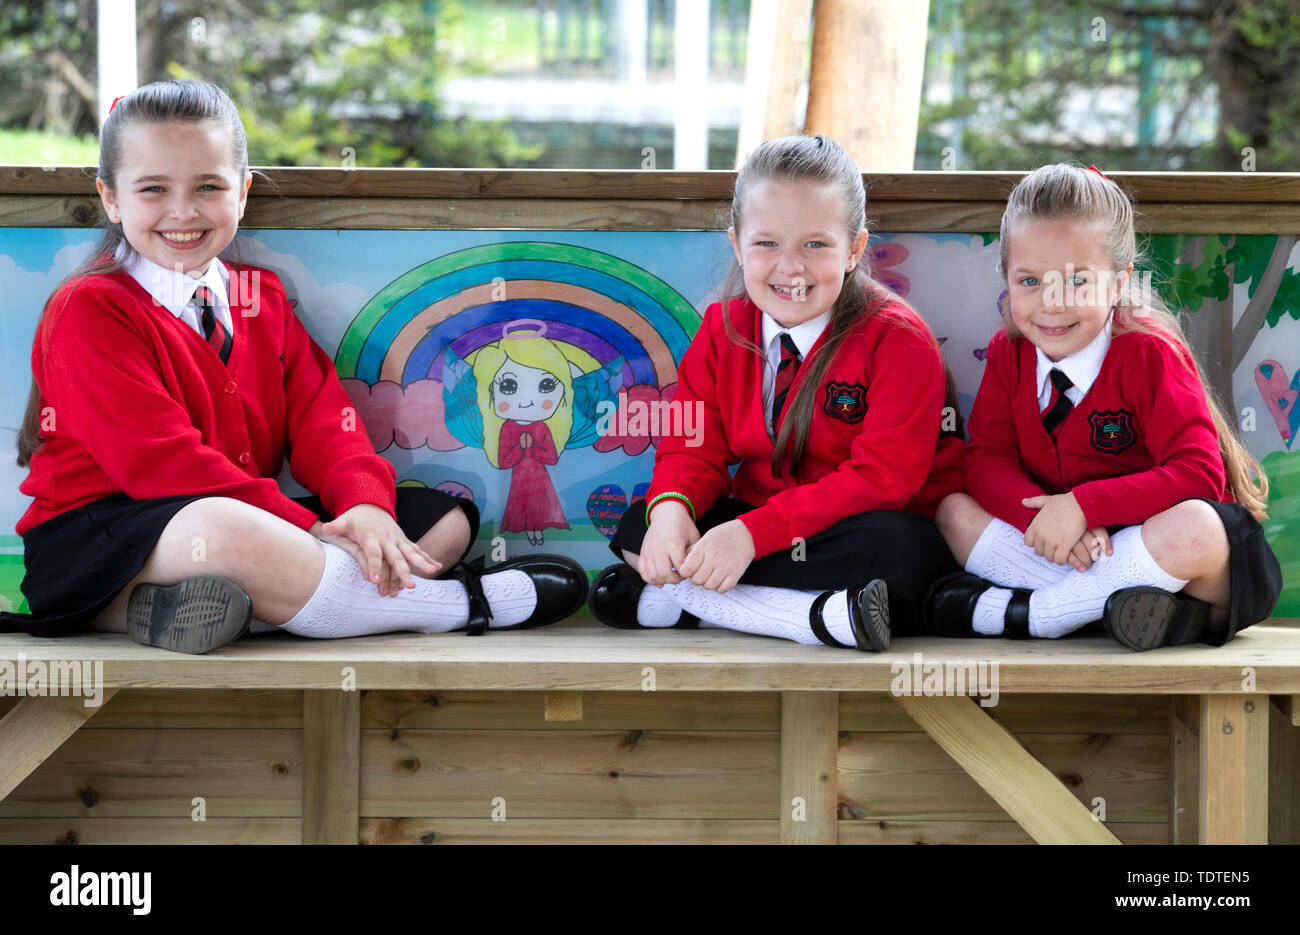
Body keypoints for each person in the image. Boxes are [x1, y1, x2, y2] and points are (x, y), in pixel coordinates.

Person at [0, 80, 585, 654]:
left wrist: (364, 508)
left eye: (208, 186)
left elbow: (325, 422)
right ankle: (459, 607)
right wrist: (307, 529)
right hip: (105, 539)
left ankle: (236, 608)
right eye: (152, 188)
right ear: (110, 197)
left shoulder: (262, 299)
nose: (183, 211)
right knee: (224, 527)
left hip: (248, 525)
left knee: (443, 520)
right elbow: (162, 465)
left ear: (244, 191)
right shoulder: (90, 307)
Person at [587, 134, 965, 650]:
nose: (791, 267)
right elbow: (693, 447)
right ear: (736, 245)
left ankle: (689, 605)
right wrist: (672, 515)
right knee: (641, 522)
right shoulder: (723, 327)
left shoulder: (897, 338)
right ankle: (818, 616)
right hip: (765, 530)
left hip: (856, 532)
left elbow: (882, 481)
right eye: (766, 243)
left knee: (903, 551)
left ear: (854, 249)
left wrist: (750, 537)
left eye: (816, 243)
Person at [924, 163, 1281, 650]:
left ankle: (1043, 613)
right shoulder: (1009, 354)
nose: (1052, 302)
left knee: (1195, 529)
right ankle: (1112, 610)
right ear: (1005, 277)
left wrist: (1083, 507)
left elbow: (1199, 473)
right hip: (1068, 549)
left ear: (1117, 283)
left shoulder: (1146, 353)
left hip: (1172, 556)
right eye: (1029, 281)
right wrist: (1046, 520)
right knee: (954, 513)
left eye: (1077, 281)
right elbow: (987, 459)